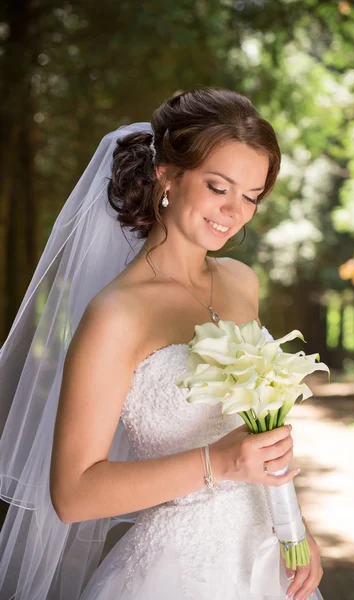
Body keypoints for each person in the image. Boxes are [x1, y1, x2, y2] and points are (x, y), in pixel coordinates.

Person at [0, 87, 324, 600]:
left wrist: (295, 525)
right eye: (219, 187)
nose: (234, 211)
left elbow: (259, 428)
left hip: (268, 561)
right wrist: (220, 463)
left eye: (251, 197)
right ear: (168, 175)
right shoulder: (117, 314)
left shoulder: (242, 282)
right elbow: (73, 494)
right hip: (179, 574)